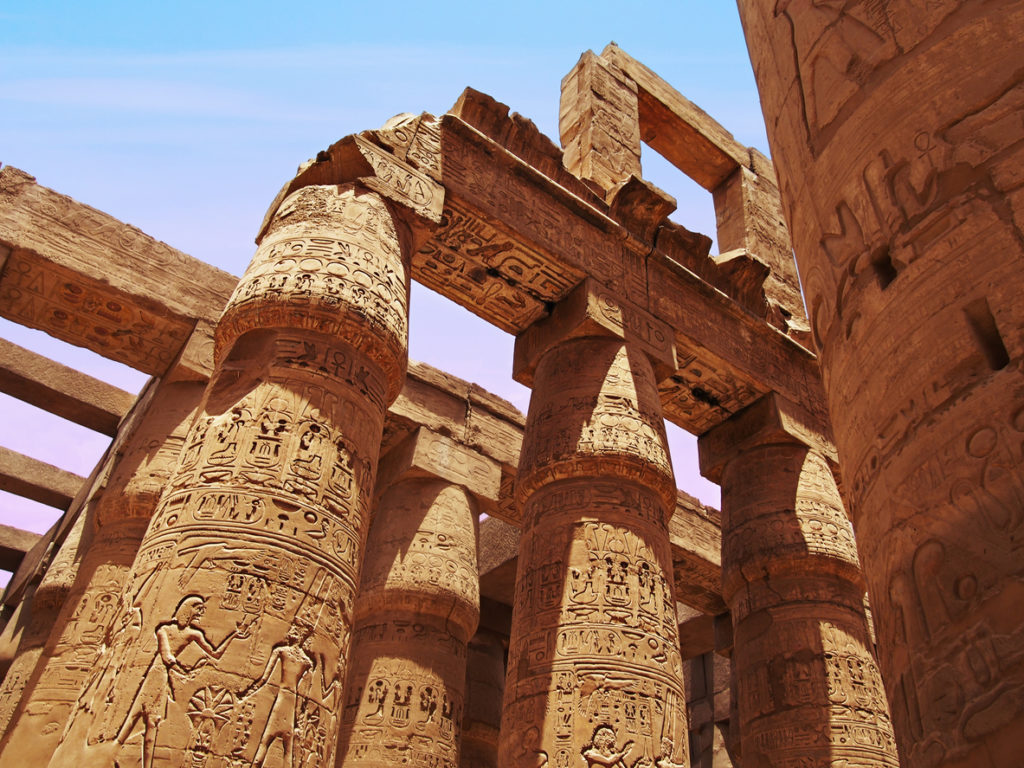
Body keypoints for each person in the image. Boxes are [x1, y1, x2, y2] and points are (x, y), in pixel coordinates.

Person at [116, 595, 240, 768]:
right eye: (199, 611)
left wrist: (234, 635)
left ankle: (122, 754)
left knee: (143, 720)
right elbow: (167, 656)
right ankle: (117, 754)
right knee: (142, 720)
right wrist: (184, 672)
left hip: (164, 676)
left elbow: (216, 654)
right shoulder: (164, 630)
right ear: (188, 610)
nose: (200, 615)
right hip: (156, 675)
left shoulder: (193, 633)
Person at [243, 622, 315, 768]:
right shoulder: (306, 662)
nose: (291, 630)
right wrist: (298, 718)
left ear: (300, 635)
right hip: (291, 703)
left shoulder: (283, 652)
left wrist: (248, 692)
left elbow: (264, 679)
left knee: (266, 742)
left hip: (283, 701)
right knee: (287, 750)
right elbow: (303, 697)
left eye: (295, 629)